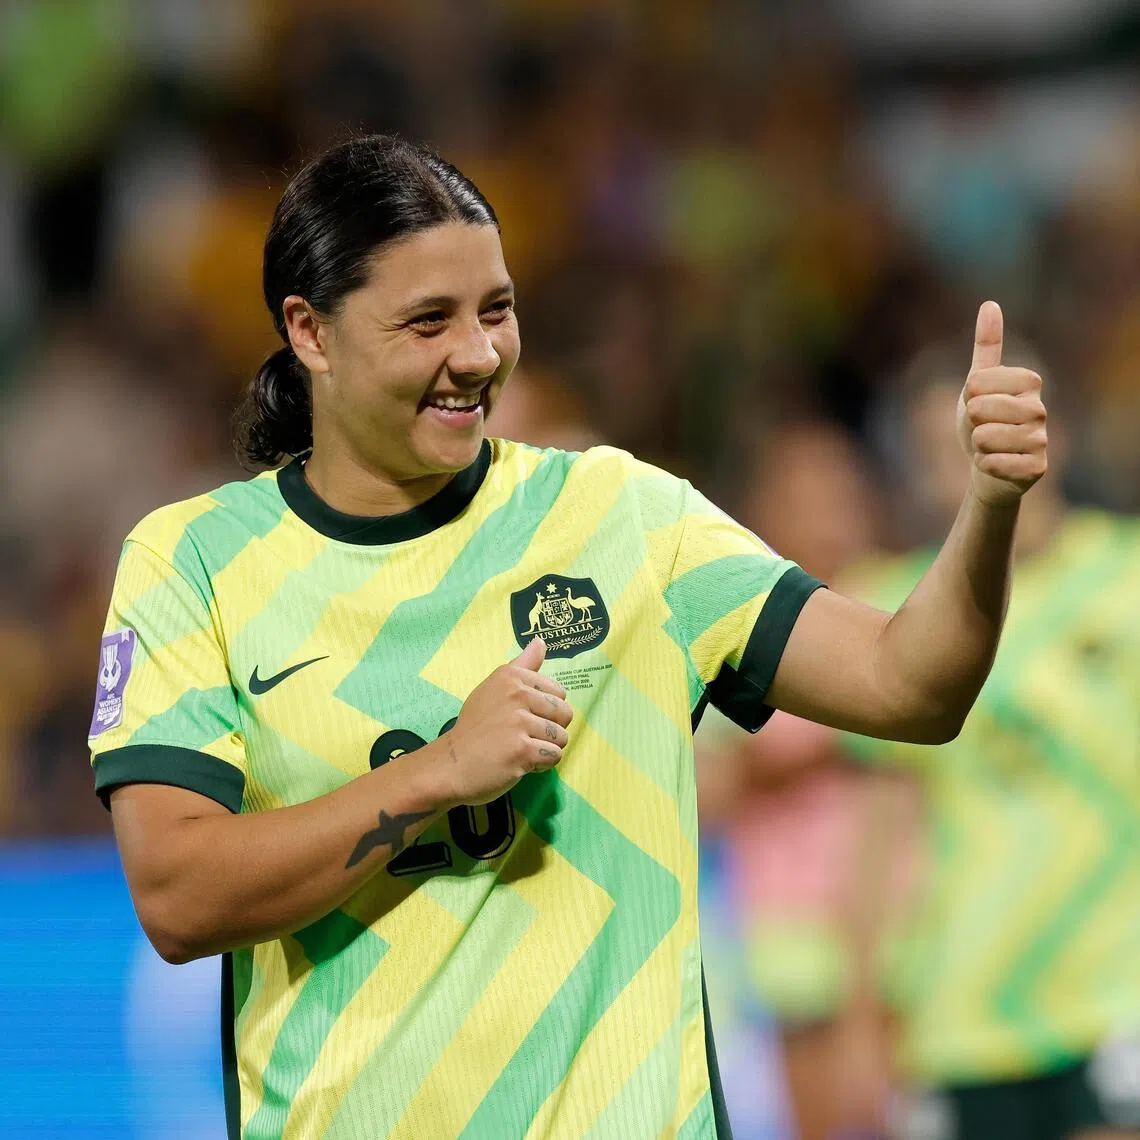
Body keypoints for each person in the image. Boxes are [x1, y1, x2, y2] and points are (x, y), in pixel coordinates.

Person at [87, 133, 1046, 1140]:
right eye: (427, 322)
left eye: (497, 311)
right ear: (310, 333)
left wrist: (987, 509)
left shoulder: (624, 517)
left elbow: (911, 687)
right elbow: (178, 895)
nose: (476, 355)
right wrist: (436, 773)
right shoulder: (192, 563)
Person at [841, 342, 1140, 1140]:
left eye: (978, 437)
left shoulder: (1128, 579)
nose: (965, 467)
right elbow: (882, 829)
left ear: (1056, 432)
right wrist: (863, 1012)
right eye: (941, 455)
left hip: (1112, 994)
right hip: (959, 1013)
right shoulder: (889, 612)